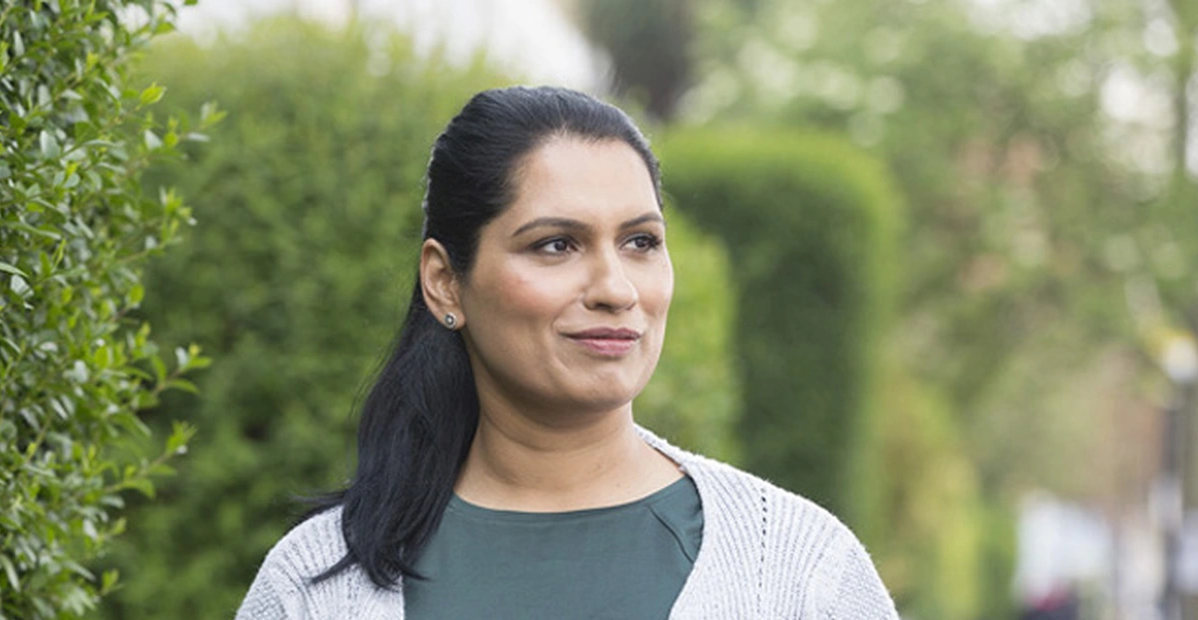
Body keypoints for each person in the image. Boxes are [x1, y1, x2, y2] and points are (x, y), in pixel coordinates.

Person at [233, 86, 898, 619]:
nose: (615, 288)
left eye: (640, 242)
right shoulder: (318, 586)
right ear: (444, 281)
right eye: (556, 244)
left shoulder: (798, 571)